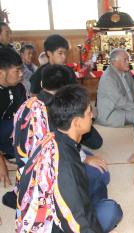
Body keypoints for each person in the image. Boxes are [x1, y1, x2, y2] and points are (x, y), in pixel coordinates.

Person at [16, 84, 122, 233]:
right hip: (51, 225)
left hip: (53, 204)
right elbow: (77, 224)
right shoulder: (66, 166)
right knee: (112, 211)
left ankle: (90, 205)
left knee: (98, 180)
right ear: (76, 122)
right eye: (88, 112)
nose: (92, 115)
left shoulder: (52, 138)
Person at [3, 64, 109, 210]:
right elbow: (61, 151)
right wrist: (84, 159)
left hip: (25, 171)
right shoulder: (56, 111)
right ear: (67, 90)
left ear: (41, 84)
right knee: (101, 175)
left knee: (93, 161)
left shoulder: (27, 104)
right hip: (47, 173)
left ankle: (20, 195)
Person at [96, 48, 134, 127]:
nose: (128, 62)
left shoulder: (126, 71)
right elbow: (120, 101)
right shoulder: (108, 78)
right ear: (114, 62)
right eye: (125, 60)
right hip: (114, 112)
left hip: (128, 105)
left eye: (128, 59)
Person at [0, 48, 26, 188]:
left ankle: (6, 153)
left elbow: (24, 116)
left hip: (6, 132)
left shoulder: (18, 88)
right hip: (5, 128)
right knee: (12, 124)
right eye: (17, 71)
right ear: (1, 72)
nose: (21, 74)